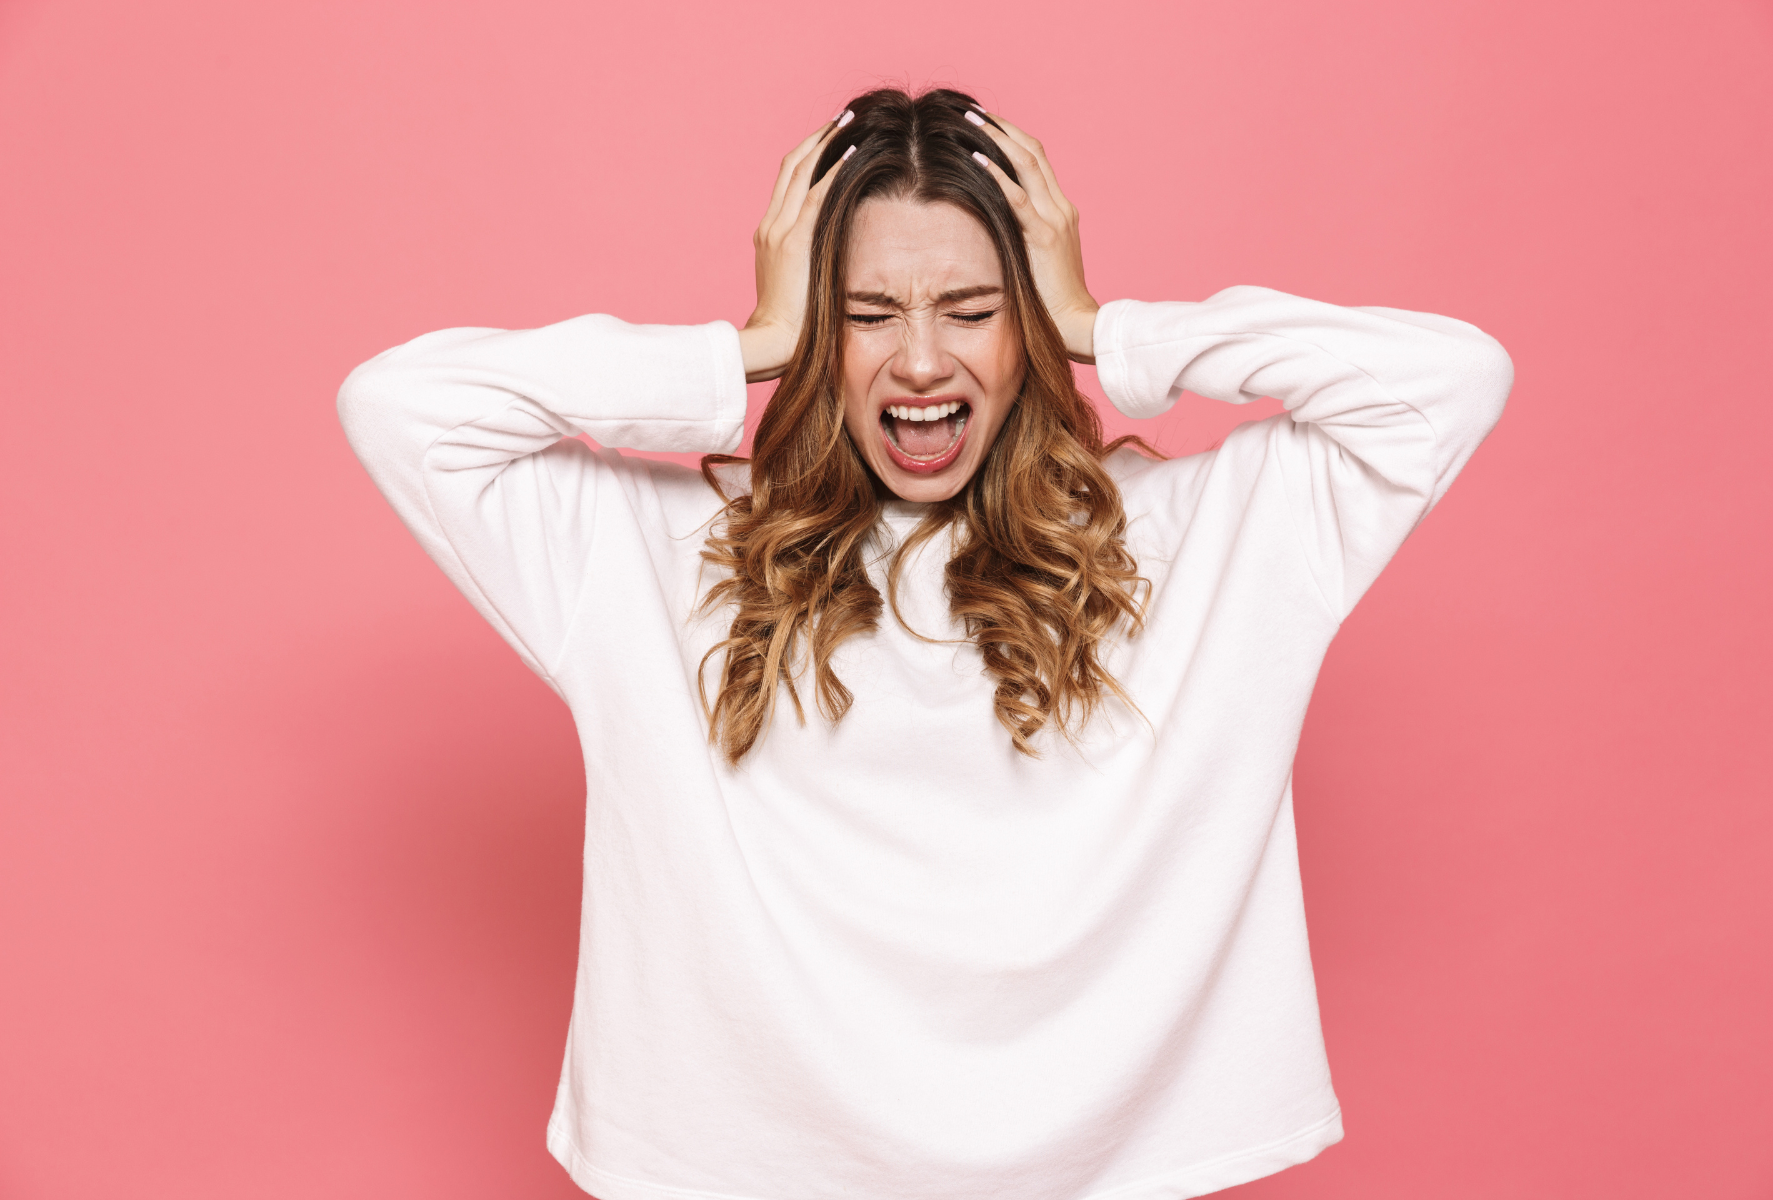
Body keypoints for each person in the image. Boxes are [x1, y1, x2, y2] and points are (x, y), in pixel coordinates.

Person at [338, 86, 1511, 1200]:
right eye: (866, 314)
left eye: (972, 309)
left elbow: (1451, 381)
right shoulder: (665, 549)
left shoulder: (1195, 536)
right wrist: (745, 344)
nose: (918, 360)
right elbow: (399, 408)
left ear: (1028, 324)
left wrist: (1104, 328)